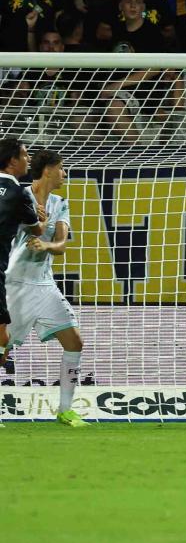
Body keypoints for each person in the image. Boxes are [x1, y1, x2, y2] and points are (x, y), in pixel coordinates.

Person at [2, 148, 82, 426]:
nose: (64, 173)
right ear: (48, 169)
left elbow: (61, 245)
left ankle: (65, 410)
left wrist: (47, 245)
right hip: (15, 283)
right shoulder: (17, 195)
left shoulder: (60, 203)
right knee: (2, 349)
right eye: (61, 168)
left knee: (75, 342)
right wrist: (28, 219)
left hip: (44, 284)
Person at [0, 139, 46, 389]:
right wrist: (42, 215)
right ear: (12, 161)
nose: (29, 159)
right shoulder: (19, 193)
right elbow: (37, 230)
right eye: (25, 155)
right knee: (1, 337)